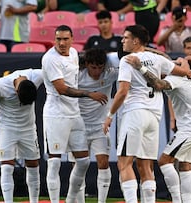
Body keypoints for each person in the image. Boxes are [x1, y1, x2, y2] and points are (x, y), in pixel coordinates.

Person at [102, 25, 191, 203]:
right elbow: (186, 74)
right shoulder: (157, 59)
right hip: (154, 117)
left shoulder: (128, 60)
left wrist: (110, 115)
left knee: (124, 163)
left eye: (126, 37)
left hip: (135, 114)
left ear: (135, 40)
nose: (122, 41)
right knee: (145, 166)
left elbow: (122, 92)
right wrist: (186, 64)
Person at [126, 54, 191, 203]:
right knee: (185, 165)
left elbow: (158, 84)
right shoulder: (184, 73)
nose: (158, 70)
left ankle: (177, 200)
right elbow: (178, 64)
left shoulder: (175, 78)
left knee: (164, 161)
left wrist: (141, 67)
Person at [41, 25, 108, 203]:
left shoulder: (73, 54)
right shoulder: (50, 59)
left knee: (84, 161)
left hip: (74, 114)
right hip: (56, 115)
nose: (61, 43)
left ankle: (71, 200)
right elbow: (61, 89)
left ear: (72, 38)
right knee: (54, 162)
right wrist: (88, 94)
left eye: (65, 39)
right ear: (54, 39)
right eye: (58, 39)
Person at [0, 68, 43, 203]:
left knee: (33, 164)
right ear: (16, 91)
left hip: (28, 129)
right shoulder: (1, 85)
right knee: (6, 166)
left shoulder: (36, 75)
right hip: (6, 128)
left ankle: (34, 201)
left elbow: (53, 73)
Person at [70, 48, 119, 203]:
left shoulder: (110, 74)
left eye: (100, 67)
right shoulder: (76, 77)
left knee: (103, 163)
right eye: (93, 67)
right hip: (79, 128)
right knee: (78, 166)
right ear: (86, 64)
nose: (97, 71)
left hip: (100, 127)